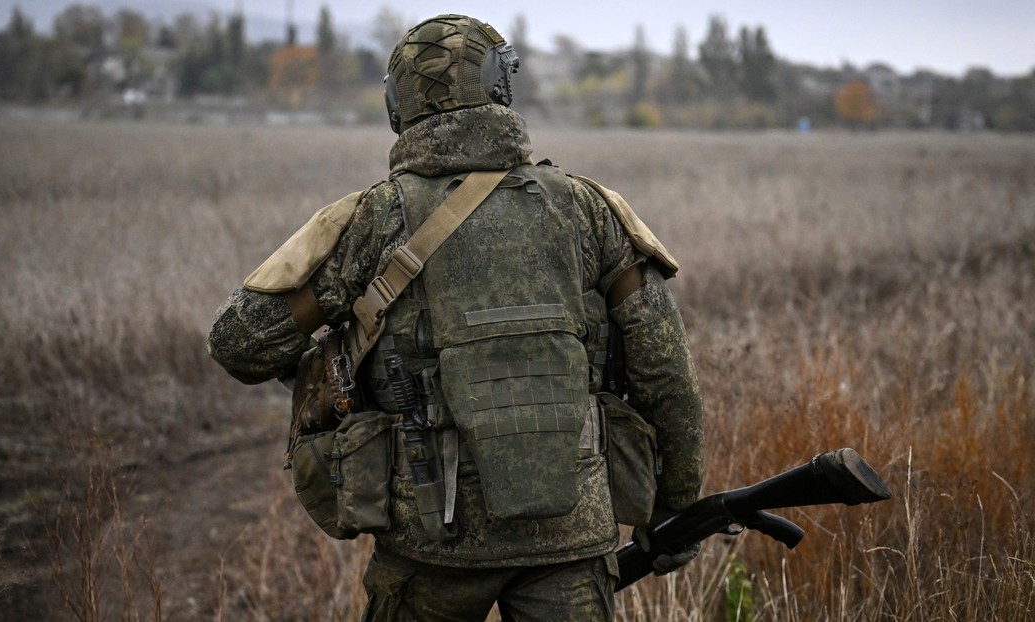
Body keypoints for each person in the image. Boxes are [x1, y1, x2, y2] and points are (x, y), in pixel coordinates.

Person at [207, 14, 704, 621]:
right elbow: (665, 370)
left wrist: (333, 359)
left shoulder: (372, 219)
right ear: (502, 88)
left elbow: (238, 341)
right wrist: (677, 505)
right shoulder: (589, 209)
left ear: (398, 107)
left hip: (432, 541)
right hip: (571, 533)